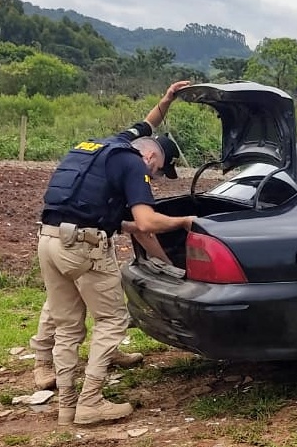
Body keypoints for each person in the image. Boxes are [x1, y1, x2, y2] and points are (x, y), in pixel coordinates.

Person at [32, 80, 197, 426]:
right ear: (151, 156)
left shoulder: (103, 146)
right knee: (111, 320)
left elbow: (148, 123)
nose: (154, 175)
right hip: (84, 249)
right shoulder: (135, 164)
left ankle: (66, 406)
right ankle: (91, 402)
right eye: (157, 169)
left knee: (67, 325)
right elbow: (147, 222)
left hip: (48, 240)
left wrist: (167, 99)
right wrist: (184, 221)